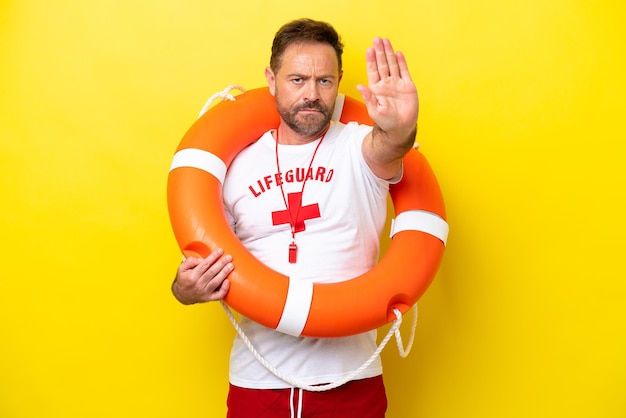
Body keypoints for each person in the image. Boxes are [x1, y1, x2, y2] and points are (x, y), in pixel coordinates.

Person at [171, 18, 419, 418]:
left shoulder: (358, 148)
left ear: (339, 81)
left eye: (324, 81)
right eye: (298, 79)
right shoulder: (235, 165)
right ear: (271, 79)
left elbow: (389, 145)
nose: (312, 95)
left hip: (351, 382)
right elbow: (204, 258)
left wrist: (401, 127)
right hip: (259, 383)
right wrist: (186, 288)